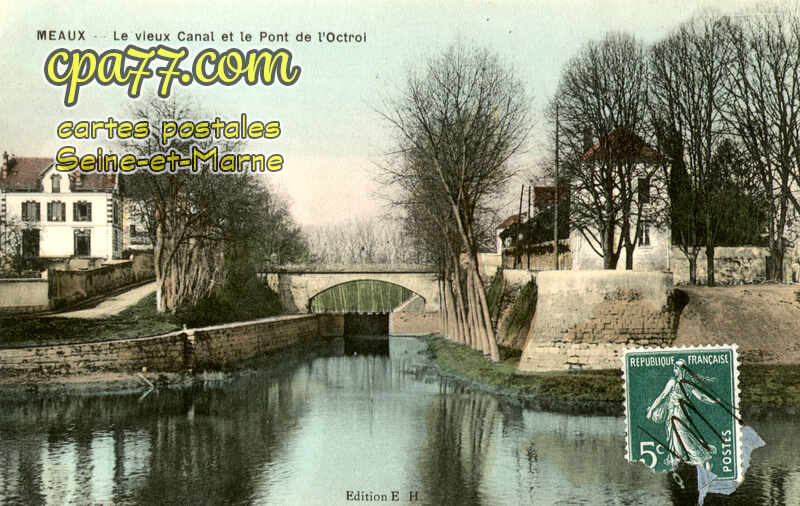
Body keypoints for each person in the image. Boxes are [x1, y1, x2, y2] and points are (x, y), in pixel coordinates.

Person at [646, 359, 718, 470]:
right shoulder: (686, 383)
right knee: (682, 440)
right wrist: (714, 401)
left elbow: (662, 396)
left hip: (677, 415)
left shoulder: (675, 382)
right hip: (680, 414)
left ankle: (701, 462)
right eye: (675, 367)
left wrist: (651, 411)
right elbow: (701, 397)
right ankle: (686, 466)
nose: (675, 369)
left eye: (676, 367)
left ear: (679, 370)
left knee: (682, 440)